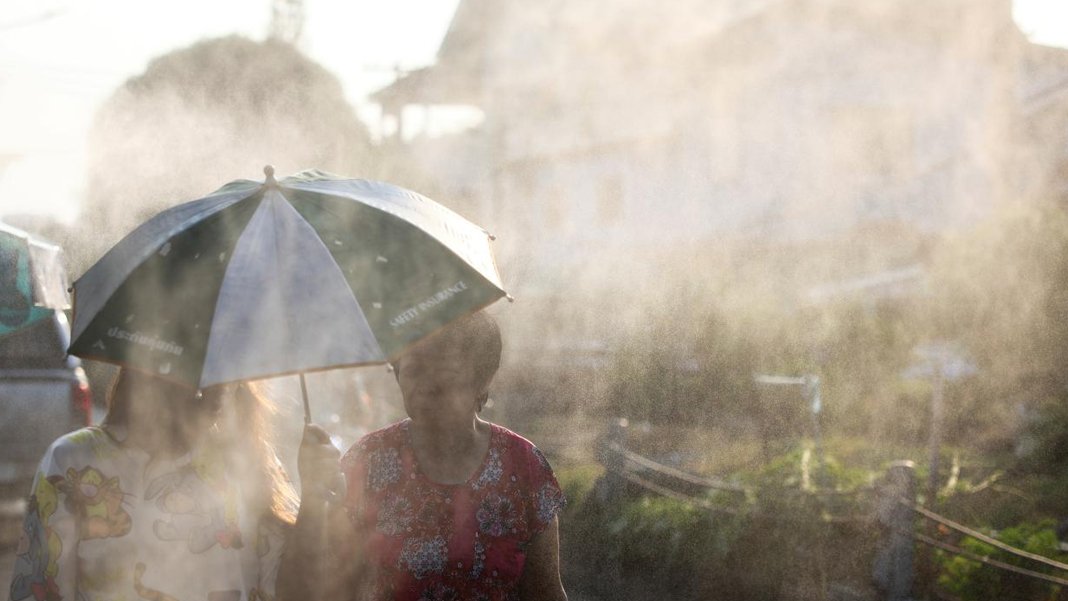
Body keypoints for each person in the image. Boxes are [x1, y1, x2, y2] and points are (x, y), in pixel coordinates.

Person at [298, 310, 568, 601]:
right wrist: (314, 499)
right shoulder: (368, 461)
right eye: (414, 370)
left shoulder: (523, 466)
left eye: (445, 373)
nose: (426, 387)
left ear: (483, 381)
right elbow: (333, 587)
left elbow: (546, 593)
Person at [7, 368, 306, 601]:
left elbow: (283, 586)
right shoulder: (74, 460)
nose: (219, 386)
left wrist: (316, 503)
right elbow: (38, 590)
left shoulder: (249, 464)